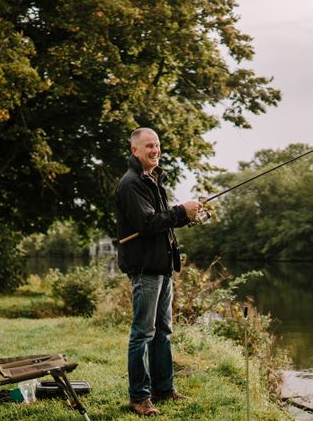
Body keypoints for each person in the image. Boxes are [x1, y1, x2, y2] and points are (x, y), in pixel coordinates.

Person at [115, 127, 202, 416]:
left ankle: (164, 389)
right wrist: (181, 211)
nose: (155, 150)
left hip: (162, 268)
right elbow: (148, 224)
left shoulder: (153, 179)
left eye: (157, 145)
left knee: (163, 331)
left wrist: (187, 216)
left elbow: (162, 223)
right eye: (148, 146)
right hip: (145, 269)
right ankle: (139, 398)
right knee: (143, 333)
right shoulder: (131, 184)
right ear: (135, 151)